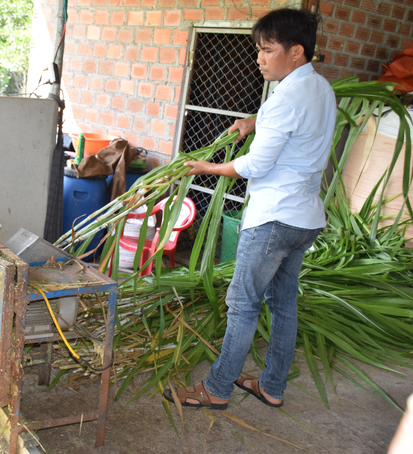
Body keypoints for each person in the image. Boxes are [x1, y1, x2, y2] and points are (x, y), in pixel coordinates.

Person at [163, 7, 337, 410]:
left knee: (242, 307)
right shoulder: (321, 89)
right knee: (283, 303)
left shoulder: (284, 98)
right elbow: (293, 120)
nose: (259, 58)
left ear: (296, 52)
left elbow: (253, 166)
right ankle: (273, 386)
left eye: (268, 49)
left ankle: (217, 388)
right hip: (305, 219)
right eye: (258, 49)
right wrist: (251, 121)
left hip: (273, 219)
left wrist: (206, 166)